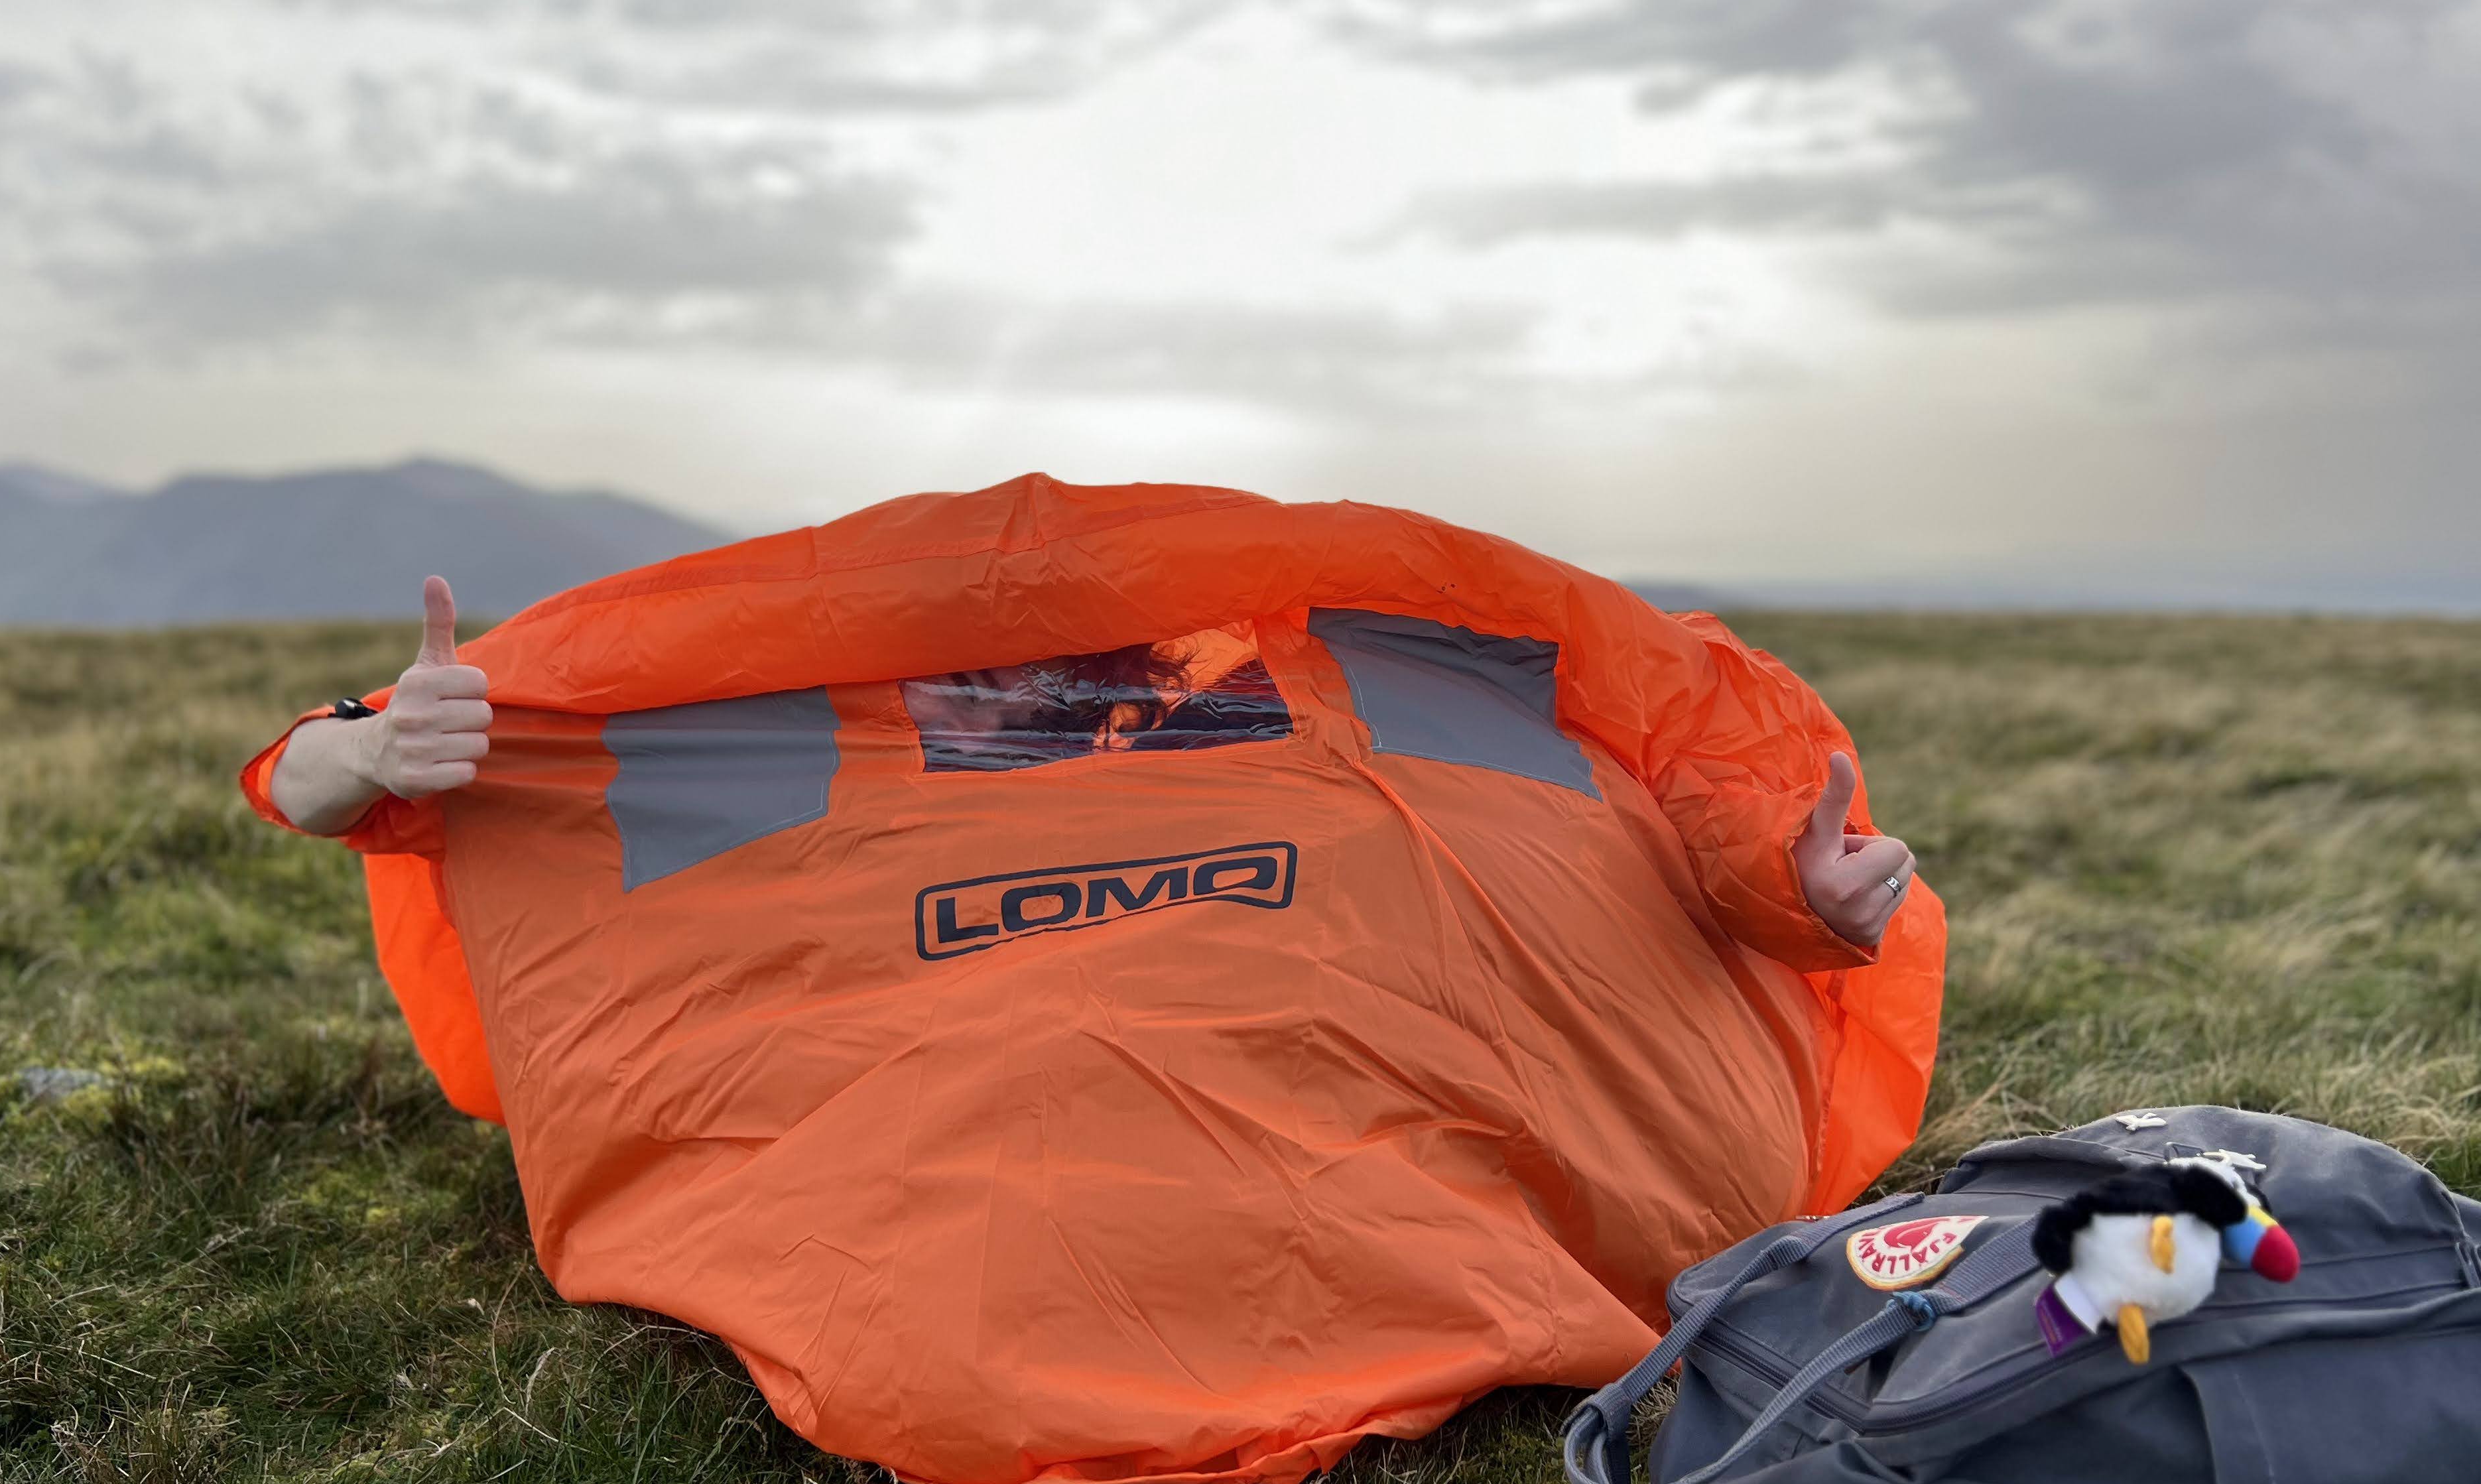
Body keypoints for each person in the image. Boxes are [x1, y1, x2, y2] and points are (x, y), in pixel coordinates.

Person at [269, 574, 1919, 948]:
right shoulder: (791, 722)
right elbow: (305, 778)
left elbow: (1649, 775)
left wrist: (1793, 894)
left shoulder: (1379, 676)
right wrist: (376, 757)